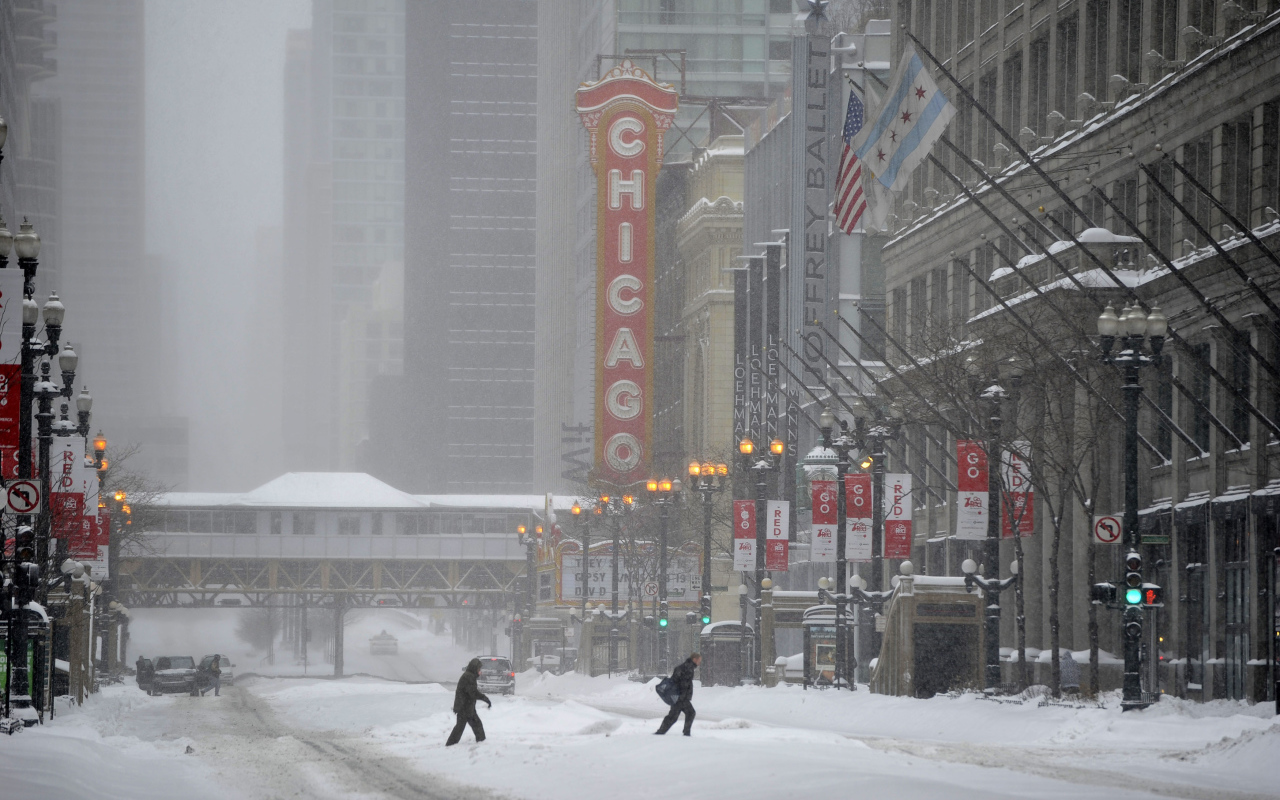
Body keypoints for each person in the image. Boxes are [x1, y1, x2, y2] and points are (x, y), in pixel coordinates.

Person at [446, 658, 491, 746]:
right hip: (464, 707)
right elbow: (473, 693)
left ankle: (481, 742)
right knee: (464, 727)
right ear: (475, 668)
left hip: (466, 707)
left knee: (472, 726)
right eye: (479, 669)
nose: (479, 671)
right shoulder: (469, 677)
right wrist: (485, 698)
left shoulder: (469, 676)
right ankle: (450, 745)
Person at [655, 653, 700, 736]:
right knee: (690, 713)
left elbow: (676, 679)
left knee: (673, 716)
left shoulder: (685, 666)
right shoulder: (688, 668)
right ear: (694, 659)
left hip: (677, 696)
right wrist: (682, 696)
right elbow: (684, 683)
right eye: (699, 660)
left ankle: (661, 732)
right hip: (680, 697)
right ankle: (686, 733)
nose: (699, 662)